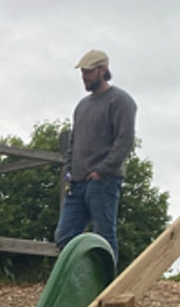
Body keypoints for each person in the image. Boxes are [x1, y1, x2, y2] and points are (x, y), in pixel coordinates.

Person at [55, 48, 137, 262]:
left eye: (88, 72)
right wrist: (69, 171)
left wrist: (102, 171)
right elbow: (73, 143)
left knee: (104, 237)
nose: (84, 77)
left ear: (103, 70)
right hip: (77, 182)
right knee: (64, 236)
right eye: (83, 72)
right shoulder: (82, 106)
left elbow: (125, 140)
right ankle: (83, 282)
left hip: (104, 180)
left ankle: (107, 289)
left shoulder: (121, 101)